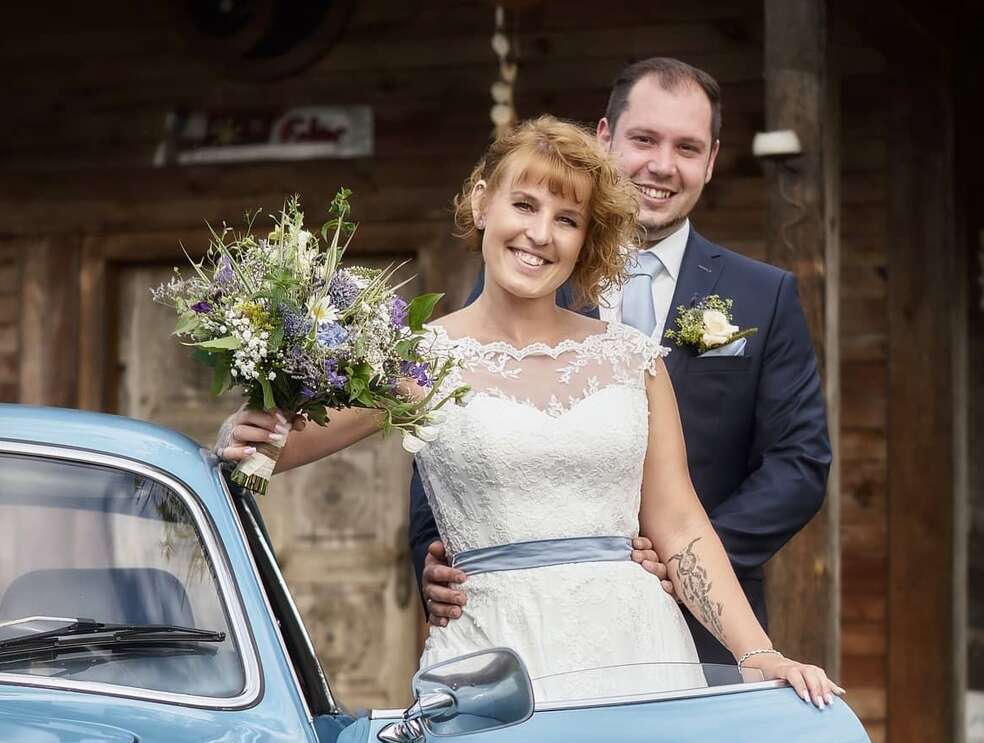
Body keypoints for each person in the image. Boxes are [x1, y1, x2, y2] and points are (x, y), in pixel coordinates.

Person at [217, 116, 841, 708]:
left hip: (639, 653)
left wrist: (756, 652)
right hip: (494, 660)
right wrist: (249, 423)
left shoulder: (632, 361)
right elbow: (265, 459)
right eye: (524, 205)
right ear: (483, 203)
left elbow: (680, 523)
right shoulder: (417, 360)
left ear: (585, 240)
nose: (540, 234)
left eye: (567, 219)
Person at [413, 58, 832, 665]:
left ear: (711, 161)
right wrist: (437, 553)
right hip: (511, 626)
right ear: (604, 138)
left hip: (706, 626)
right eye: (644, 139)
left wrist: (674, 559)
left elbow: (799, 464)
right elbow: (446, 432)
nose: (663, 165)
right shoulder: (525, 267)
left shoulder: (762, 296)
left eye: (687, 147)